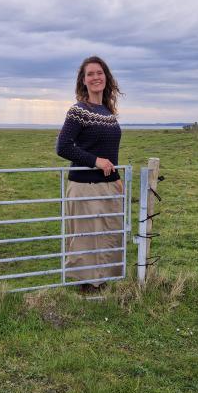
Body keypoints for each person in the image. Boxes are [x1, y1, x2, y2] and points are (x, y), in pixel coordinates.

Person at [56, 56, 124, 291]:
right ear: (83, 81)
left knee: (108, 231)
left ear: (106, 77)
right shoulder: (79, 111)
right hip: (85, 185)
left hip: (107, 185)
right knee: (87, 234)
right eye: (90, 74)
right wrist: (96, 162)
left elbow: (110, 152)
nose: (96, 77)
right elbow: (63, 147)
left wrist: (116, 177)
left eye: (100, 73)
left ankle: (102, 280)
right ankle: (87, 284)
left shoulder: (107, 112)